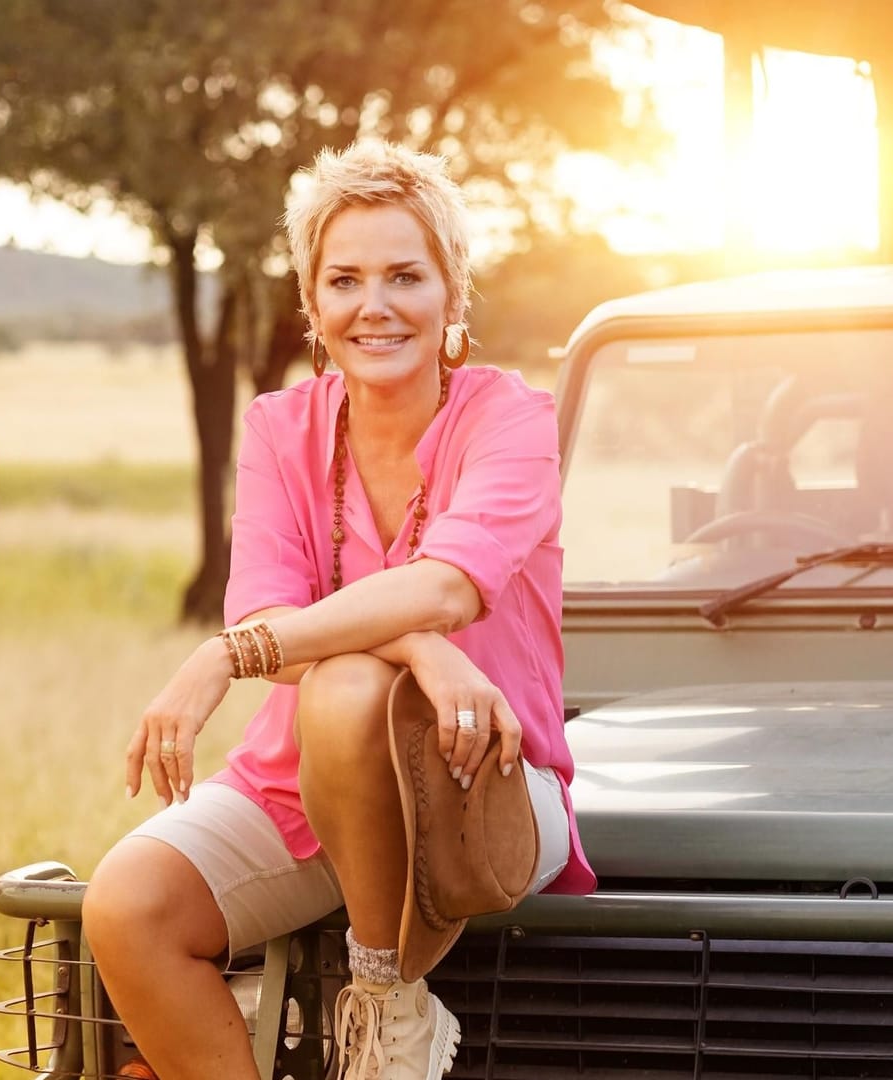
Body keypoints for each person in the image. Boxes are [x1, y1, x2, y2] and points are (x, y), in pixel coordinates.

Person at [80, 141, 596, 1080]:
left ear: (452, 294)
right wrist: (424, 652)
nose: (376, 306)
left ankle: (387, 1000)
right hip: (304, 786)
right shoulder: (280, 428)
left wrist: (223, 656)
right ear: (314, 307)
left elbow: (447, 583)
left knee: (351, 685)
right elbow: (271, 622)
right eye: (345, 280)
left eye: (406, 276)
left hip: (481, 780)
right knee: (127, 904)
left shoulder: (511, 420)